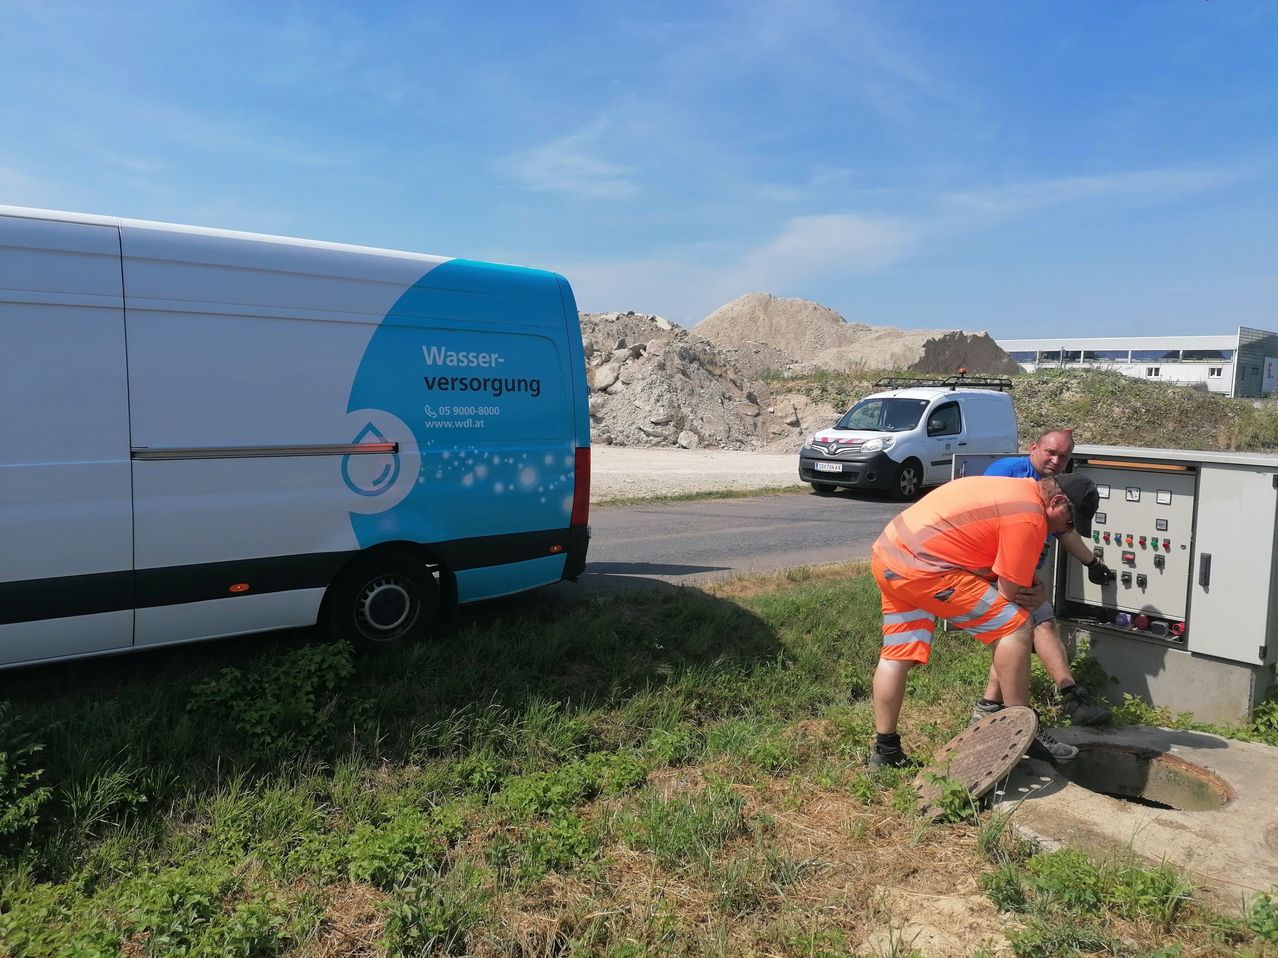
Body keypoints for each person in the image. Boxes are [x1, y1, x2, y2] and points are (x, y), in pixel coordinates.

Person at [868, 471, 1099, 769]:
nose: (1066, 530)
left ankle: (885, 750)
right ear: (1055, 502)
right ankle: (1023, 728)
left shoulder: (1013, 490)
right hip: (922, 568)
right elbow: (1009, 593)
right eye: (1069, 522)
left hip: (888, 555)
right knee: (1015, 625)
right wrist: (1037, 592)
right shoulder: (1030, 516)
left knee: (896, 655)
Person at [977, 429, 1113, 742]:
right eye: (1051, 452)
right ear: (1034, 447)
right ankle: (1008, 714)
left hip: (1021, 572)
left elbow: (1065, 531)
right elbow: (986, 522)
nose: (1055, 460)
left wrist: (1092, 563)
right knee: (1017, 628)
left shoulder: (1057, 489)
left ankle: (1067, 696)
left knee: (1042, 623)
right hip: (996, 569)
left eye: (1063, 456)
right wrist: (1011, 579)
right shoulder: (1008, 474)